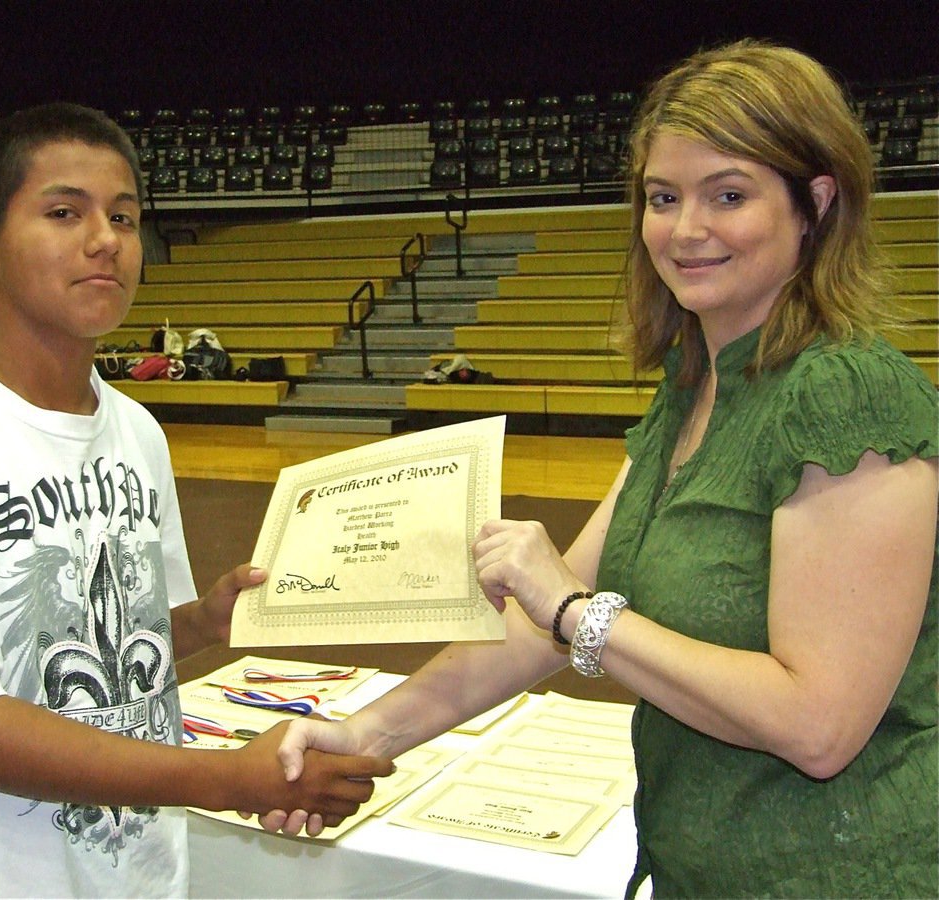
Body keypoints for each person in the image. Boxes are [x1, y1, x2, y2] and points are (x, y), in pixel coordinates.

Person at [262, 41, 938, 898]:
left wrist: (581, 613)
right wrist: (367, 733)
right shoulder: (695, 389)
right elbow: (533, 628)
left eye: (728, 194)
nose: (685, 230)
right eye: (663, 198)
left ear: (815, 201)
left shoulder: (848, 394)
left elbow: (817, 725)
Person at [0, 103, 392, 898]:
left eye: (123, 216)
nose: (106, 240)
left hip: (129, 875)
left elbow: (130, 647)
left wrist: (208, 619)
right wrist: (227, 778)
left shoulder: (133, 430)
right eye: (65, 212)